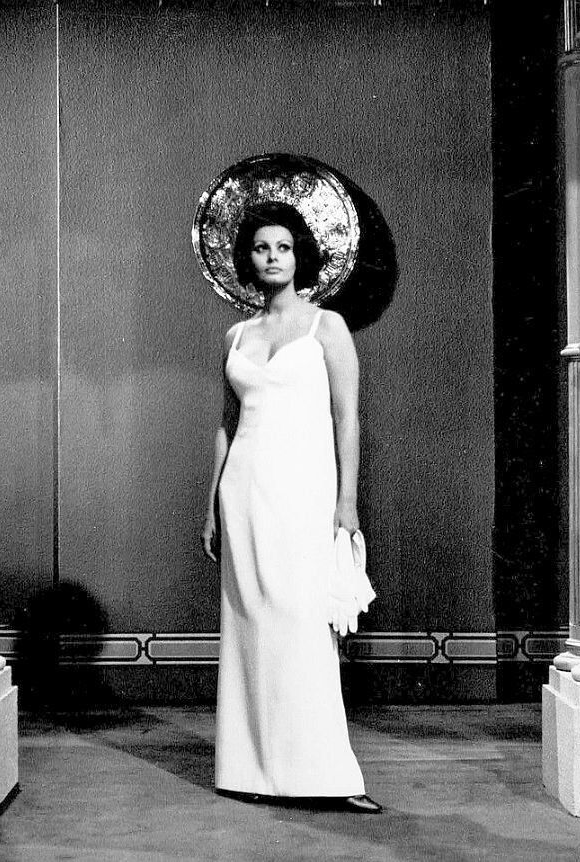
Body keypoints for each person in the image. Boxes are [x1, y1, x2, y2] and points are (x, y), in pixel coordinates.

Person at [202, 200, 380, 813]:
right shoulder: (236, 335)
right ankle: (249, 769)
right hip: (243, 490)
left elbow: (347, 419)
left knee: (302, 626)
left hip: (305, 489)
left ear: (300, 255)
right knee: (249, 623)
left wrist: (347, 501)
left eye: (283, 247)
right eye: (261, 248)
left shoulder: (327, 326)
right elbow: (226, 425)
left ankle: (327, 776)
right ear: (247, 260)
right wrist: (210, 505)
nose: (273, 257)